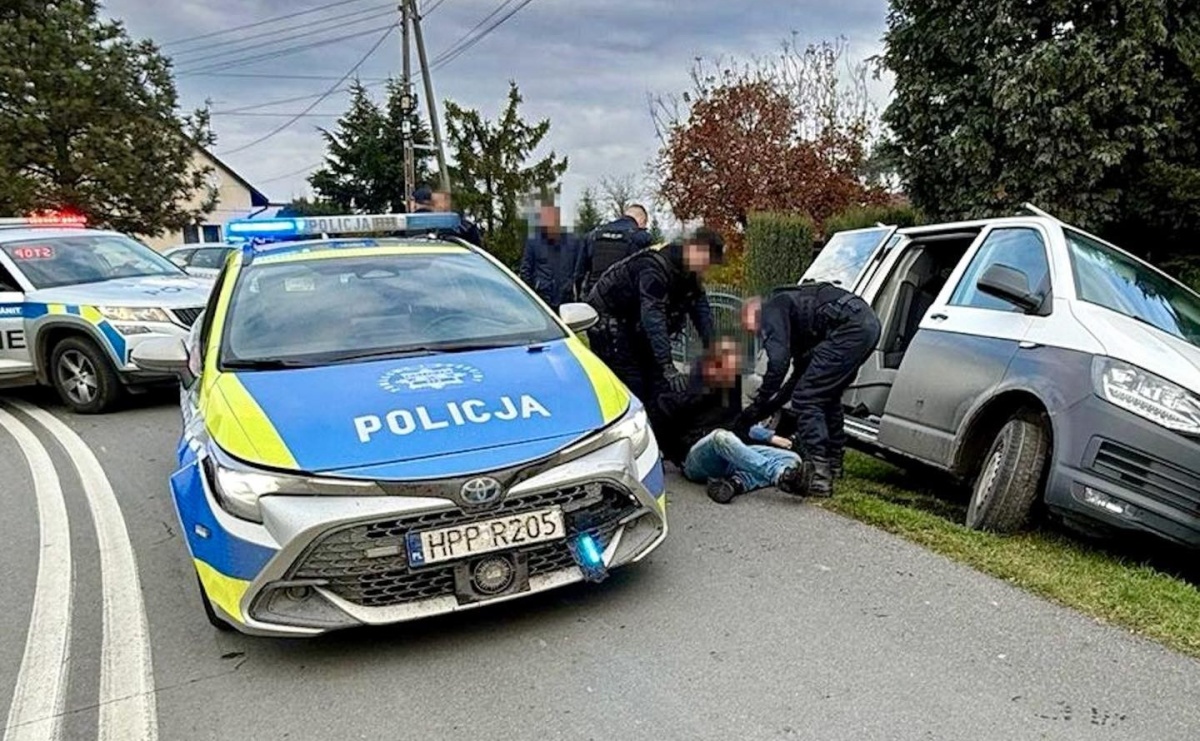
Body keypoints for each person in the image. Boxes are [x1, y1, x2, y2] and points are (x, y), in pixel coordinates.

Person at [736, 283, 882, 497]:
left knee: (807, 398)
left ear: (752, 311)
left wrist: (760, 402)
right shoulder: (796, 318)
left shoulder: (770, 310)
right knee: (826, 395)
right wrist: (760, 412)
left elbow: (778, 364)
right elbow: (797, 378)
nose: (755, 334)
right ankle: (833, 464)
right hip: (867, 325)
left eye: (748, 326)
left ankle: (819, 477)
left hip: (851, 328)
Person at [656, 336, 813, 504]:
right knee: (720, 437)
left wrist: (769, 437)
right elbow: (665, 422)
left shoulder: (730, 390)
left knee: (792, 459)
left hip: (730, 454)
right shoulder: (685, 388)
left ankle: (735, 484)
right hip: (696, 458)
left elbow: (739, 424)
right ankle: (780, 476)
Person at [584, 227, 721, 402]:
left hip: (633, 321)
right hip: (609, 320)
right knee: (632, 385)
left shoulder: (690, 273)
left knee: (658, 384)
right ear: (695, 250)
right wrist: (667, 365)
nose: (706, 270)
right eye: (706, 263)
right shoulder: (654, 268)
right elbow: (653, 316)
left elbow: (702, 311)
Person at [575, 204, 653, 297]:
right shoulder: (641, 237)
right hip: (625, 298)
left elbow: (579, 273)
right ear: (641, 221)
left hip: (595, 295)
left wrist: (580, 297)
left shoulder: (594, 235)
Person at [518, 203, 579, 311]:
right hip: (542, 300)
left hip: (565, 301)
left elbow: (578, 270)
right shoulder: (533, 241)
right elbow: (525, 271)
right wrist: (532, 297)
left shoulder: (572, 242)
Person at [411, 185, 483, 247]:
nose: (442, 205)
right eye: (435, 202)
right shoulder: (462, 227)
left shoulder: (463, 228)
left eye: (446, 199)